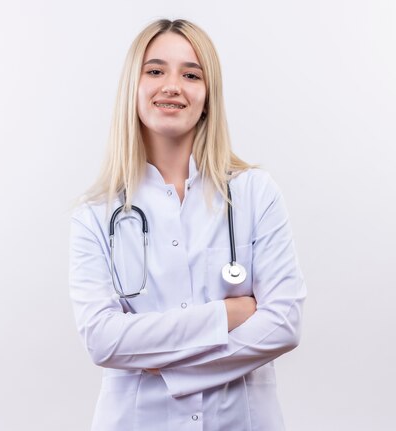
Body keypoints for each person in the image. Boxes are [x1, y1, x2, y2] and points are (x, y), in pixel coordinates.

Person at [69, 18, 306, 431]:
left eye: (191, 74)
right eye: (155, 70)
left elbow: (284, 324)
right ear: (134, 88)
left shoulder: (254, 194)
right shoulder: (95, 213)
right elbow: (103, 340)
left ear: (208, 95)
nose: (172, 85)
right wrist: (228, 314)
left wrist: (167, 369)